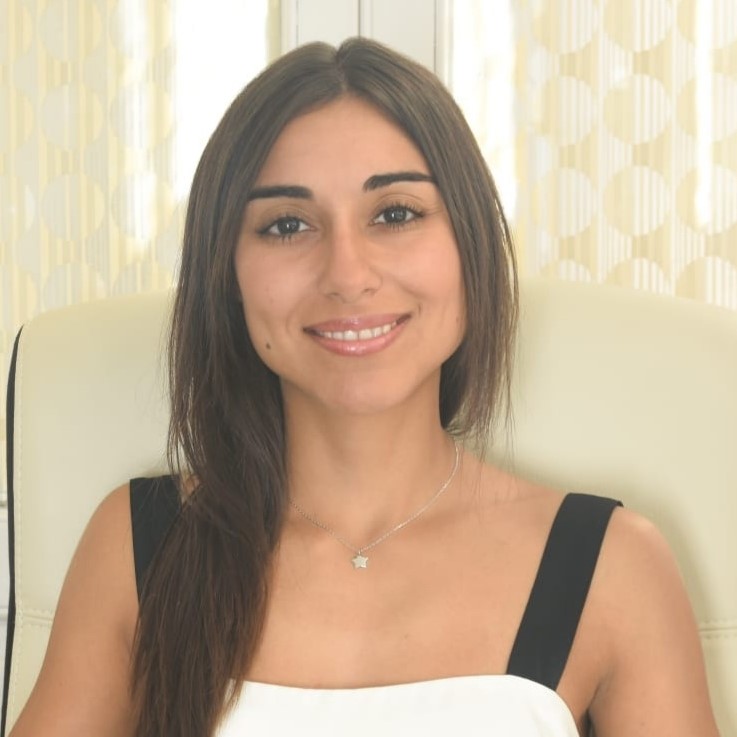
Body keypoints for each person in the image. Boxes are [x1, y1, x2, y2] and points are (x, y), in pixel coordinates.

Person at [8, 38, 719, 737]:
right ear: (226, 276)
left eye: (395, 214)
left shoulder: (612, 566)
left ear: (469, 245)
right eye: (287, 225)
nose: (347, 275)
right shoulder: (144, 545)